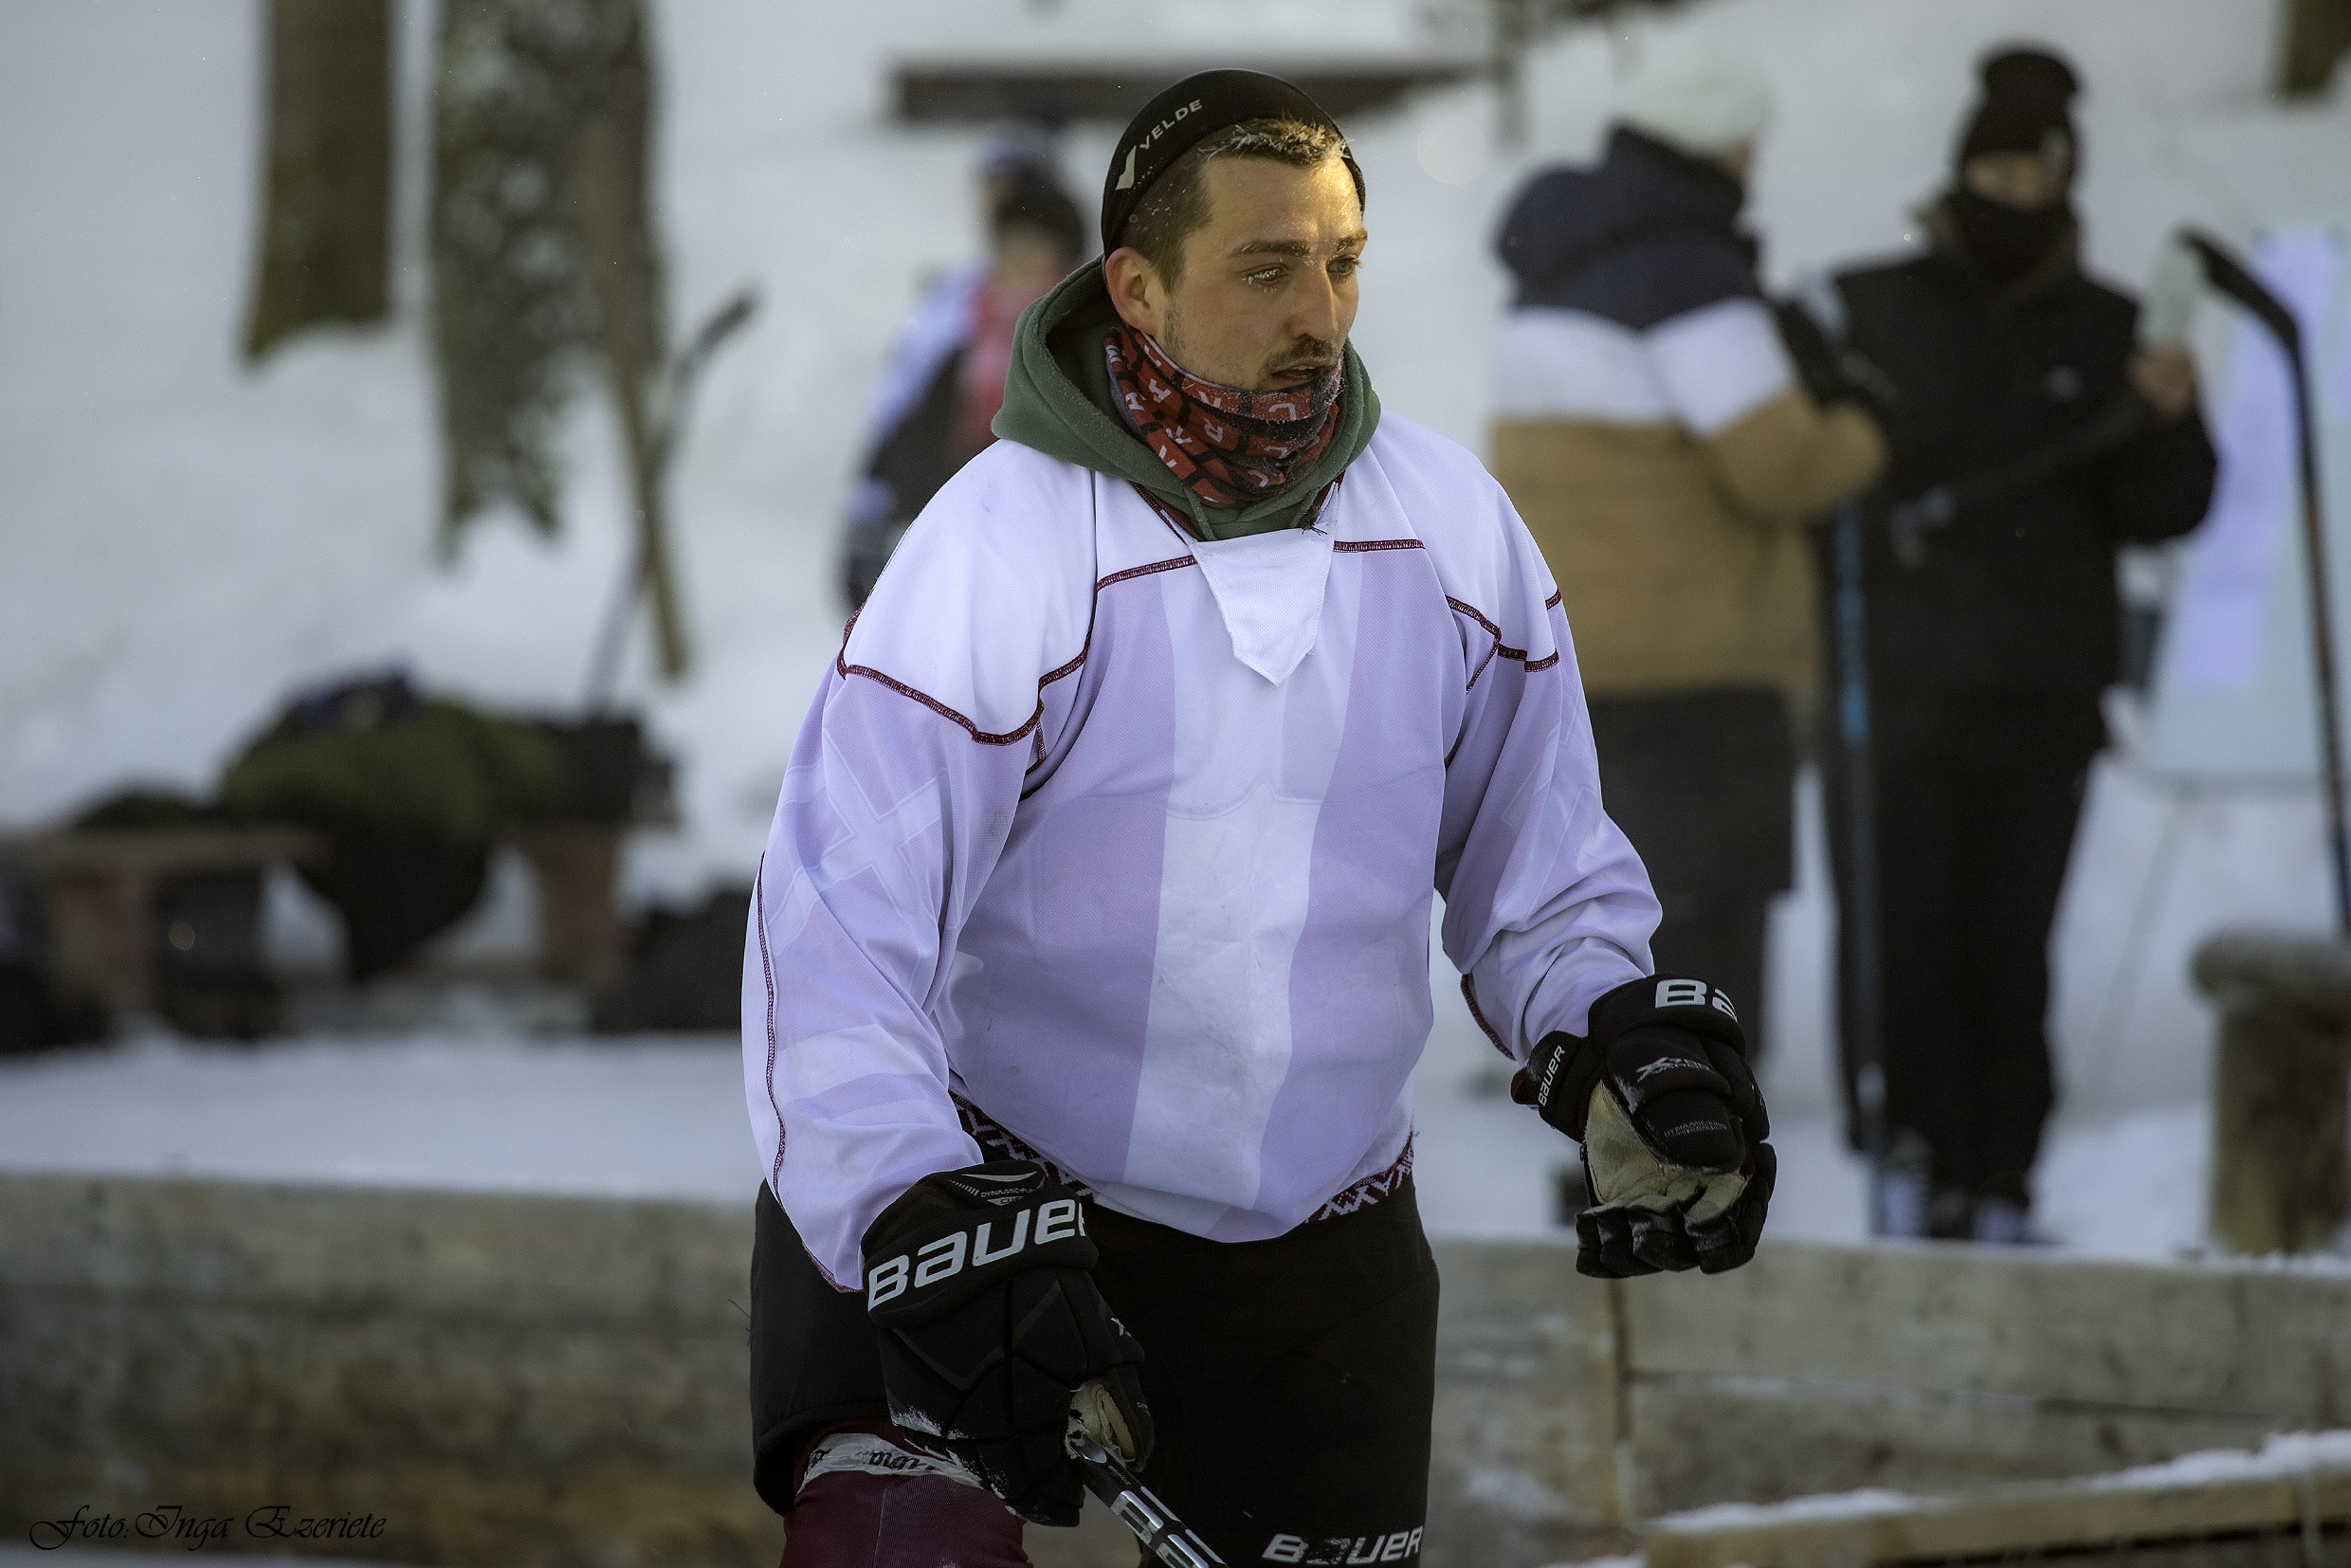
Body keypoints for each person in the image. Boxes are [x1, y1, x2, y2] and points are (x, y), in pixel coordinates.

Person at [744, 69, 1777, 1567]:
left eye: (1343, 262)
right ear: (1138, 288)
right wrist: (909, 1200)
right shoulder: (998, 546)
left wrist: (1611, 1023)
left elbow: (1539, 872)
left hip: (1318, 1251)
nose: (1320, 313)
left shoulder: (1448, 527)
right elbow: (834, 927)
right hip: (982, 1204)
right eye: (1267, 267)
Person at [1813, 46, 2216, 1242]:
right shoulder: (1871, 309)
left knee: (2008, 942)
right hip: (1897, 689)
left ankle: (2000, 1173)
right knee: (1901, 933)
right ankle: (1908, 1150)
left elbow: (2166, 507)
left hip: (2040, 699)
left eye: (2036, 176)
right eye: (1995, 172)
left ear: (2065, 182)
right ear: (1959, 171)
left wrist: (2170, 419)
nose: (2015, 195)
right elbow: (1812, 483)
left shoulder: (2109, 327)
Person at [1486, 33, 1886, 1064]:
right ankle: (1690, 1134)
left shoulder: (1552, 267)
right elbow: (1782, 467)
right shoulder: (1688, 276)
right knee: (1703, 928)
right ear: (1721, 148)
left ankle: (1607, 1117)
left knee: (1609, 916)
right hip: (1697, 664)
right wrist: (1868, 421)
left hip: (1578, 656)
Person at [840, 152, 1087, 608]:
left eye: (1033, 247)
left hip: (1046, 555)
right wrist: (875, 514)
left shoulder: (1080, 345)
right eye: (1007, 246)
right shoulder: (961, 335)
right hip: (954, 538)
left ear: (1063, 259)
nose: (1016, 261)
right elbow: (906, 423)